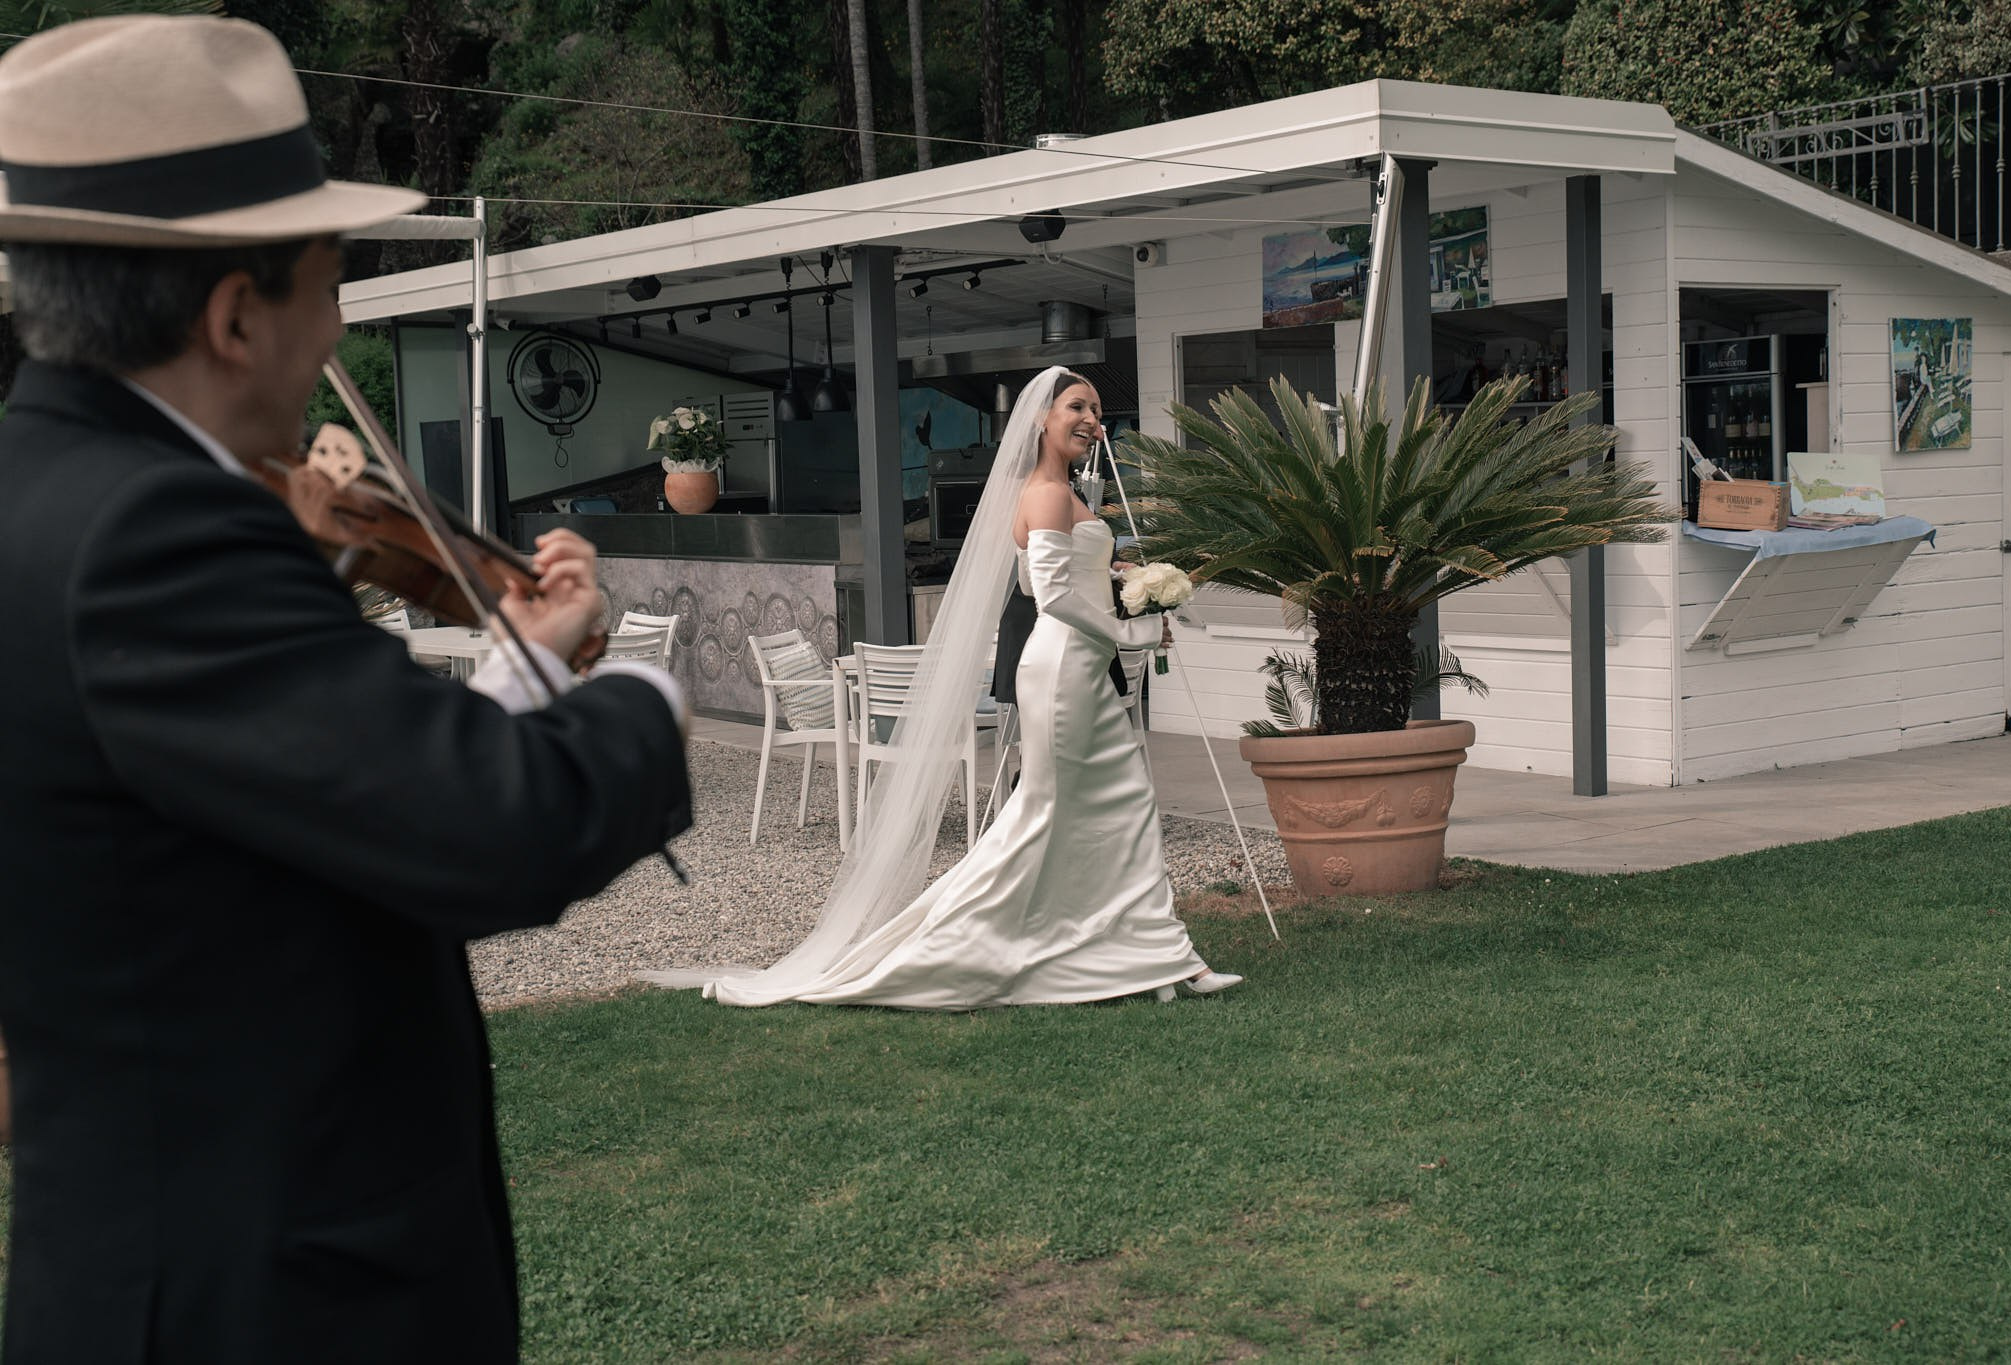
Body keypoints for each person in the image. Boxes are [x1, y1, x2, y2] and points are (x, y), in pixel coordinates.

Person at [0, 17, 693, 1364]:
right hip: (260, 1296)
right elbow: (499, 826)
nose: (337, 325)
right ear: (236, 313)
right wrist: (646, 697)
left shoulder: (42, 494)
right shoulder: (157, 536)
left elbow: (329, 785)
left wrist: (524, 663)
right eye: (332, 282)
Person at [650, 367, 1238, 1007]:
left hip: (1081, 667)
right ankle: (998, 947)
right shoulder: (1044, 493)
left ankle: (1151, 954)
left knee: (1108, 812)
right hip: (1065, 671)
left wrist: (1130, 579)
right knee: (1064, 812)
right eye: (1077, 405)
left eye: (1097, 408)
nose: (1091, 418)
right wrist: (1133, 635)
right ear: (1042, 419)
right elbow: (1054, 597)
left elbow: (1068, 575)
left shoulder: (1063, 493)